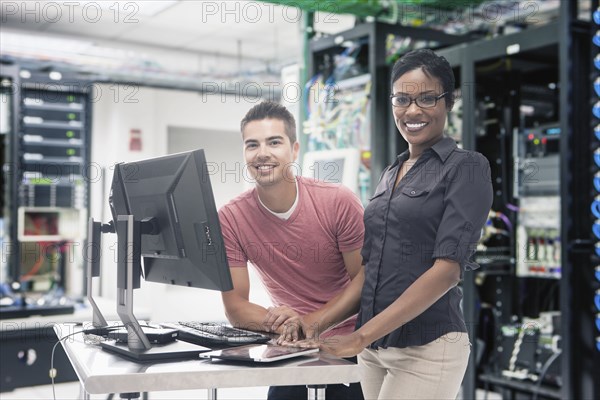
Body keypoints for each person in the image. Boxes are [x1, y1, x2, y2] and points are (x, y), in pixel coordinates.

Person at [288, 49, 493, 400]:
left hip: (427, 347)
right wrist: (314, 322)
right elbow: (370, 272)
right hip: (374, 349)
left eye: (427, 99)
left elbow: (447, 271)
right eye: (402, 99)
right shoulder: (389, 172)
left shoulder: (467, 167)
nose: (412, 111)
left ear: (449, 101)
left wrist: (361, 336)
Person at [218, 101, 365, 400]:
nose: (262, 153)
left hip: (351, 345)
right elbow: (236, 307)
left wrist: (309, 323)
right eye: (252, 144)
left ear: (294, 150)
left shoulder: (338, 202)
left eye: (274, 142)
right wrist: (286, 324)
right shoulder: (231, 218)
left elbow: (366, 281)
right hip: (291, 346)